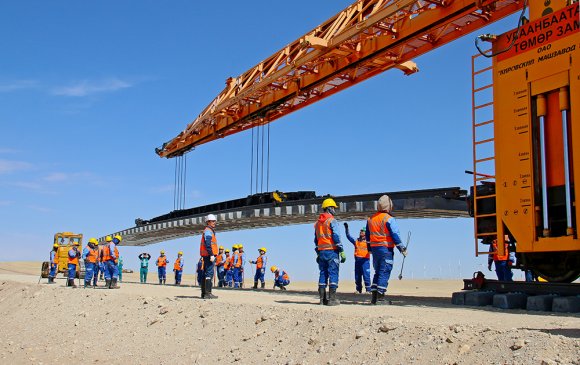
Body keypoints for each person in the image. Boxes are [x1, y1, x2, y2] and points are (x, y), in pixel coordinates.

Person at [366, 195, 407, 305]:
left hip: (375, 250)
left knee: (377, 272)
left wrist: (369, 249)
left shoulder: (370, 219)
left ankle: (374, 299)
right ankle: (380, 299)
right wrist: (402, 248)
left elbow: (368, 237)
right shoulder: (389, 219)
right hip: (385, 250)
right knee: (384, 271)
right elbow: (395, 235)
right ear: (389, 205)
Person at [314, 198, 345, 306]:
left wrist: (318, 252)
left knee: (323, 273)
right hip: (332, 251)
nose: (334, 210)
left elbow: (316, 239)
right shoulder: (332, 220)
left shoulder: (317, 223)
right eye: (333, 208)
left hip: (322, 252)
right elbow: (336, 236)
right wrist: (341, 249)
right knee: (333, 273)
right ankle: (332, 299)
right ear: (329, 208)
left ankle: (322, 300)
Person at [344, 224, 371, 294]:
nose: (361, 232)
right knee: (357, 276)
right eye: (360, 231)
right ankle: (358, 289)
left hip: (365, 261)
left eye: (363, 231)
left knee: (366, 275)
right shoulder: (356, 241)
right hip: (357, 261)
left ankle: (368, 290)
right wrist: (346, 229)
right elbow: (348, 237)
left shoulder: (369, 241)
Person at [200, 214, 219, 299]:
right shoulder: (208, 231)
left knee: (206, 273)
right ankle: (208, 293)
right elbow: (208, 244)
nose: (214, 223)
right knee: (209, 273)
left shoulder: (208, 230)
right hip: (209, 255)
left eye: (215, 221)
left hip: (207, 255)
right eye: (213, 221)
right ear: (208, 222)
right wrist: (211, 254)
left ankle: (204, 293)